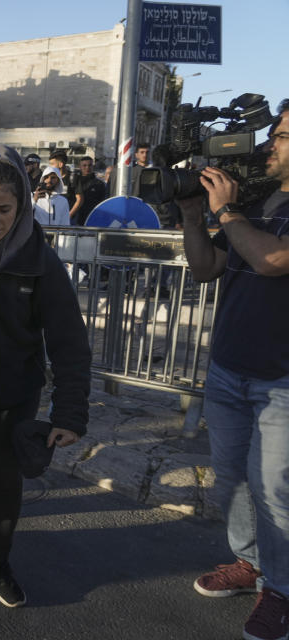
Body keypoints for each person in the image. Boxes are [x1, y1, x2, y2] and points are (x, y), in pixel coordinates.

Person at [0, 144, 91, 608]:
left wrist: (69, 412)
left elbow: (69, 340)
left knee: (7, 481)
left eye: (4, 209)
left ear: (22, 204)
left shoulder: (40, 260)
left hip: (18, 391)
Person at [180, 102, 289, 640]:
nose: (271, 143)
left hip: (282, 380)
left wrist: (226, 213)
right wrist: (192, 215)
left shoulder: (247, 210)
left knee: (276, 492)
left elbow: (273, 259)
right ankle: (250, 565)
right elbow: (206, 268)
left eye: (284, 136)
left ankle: (283, 592)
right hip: (228, 368)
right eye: (274, 133)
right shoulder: (260, 200)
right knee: (236, 481)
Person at [69, 156, 108, 225]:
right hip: (75, 217)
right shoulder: (74, 182)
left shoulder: (99, 184)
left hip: (92, 217)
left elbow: (103, 202)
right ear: (80, 166)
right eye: (84, 165)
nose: (87, 168)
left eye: (90, 165)